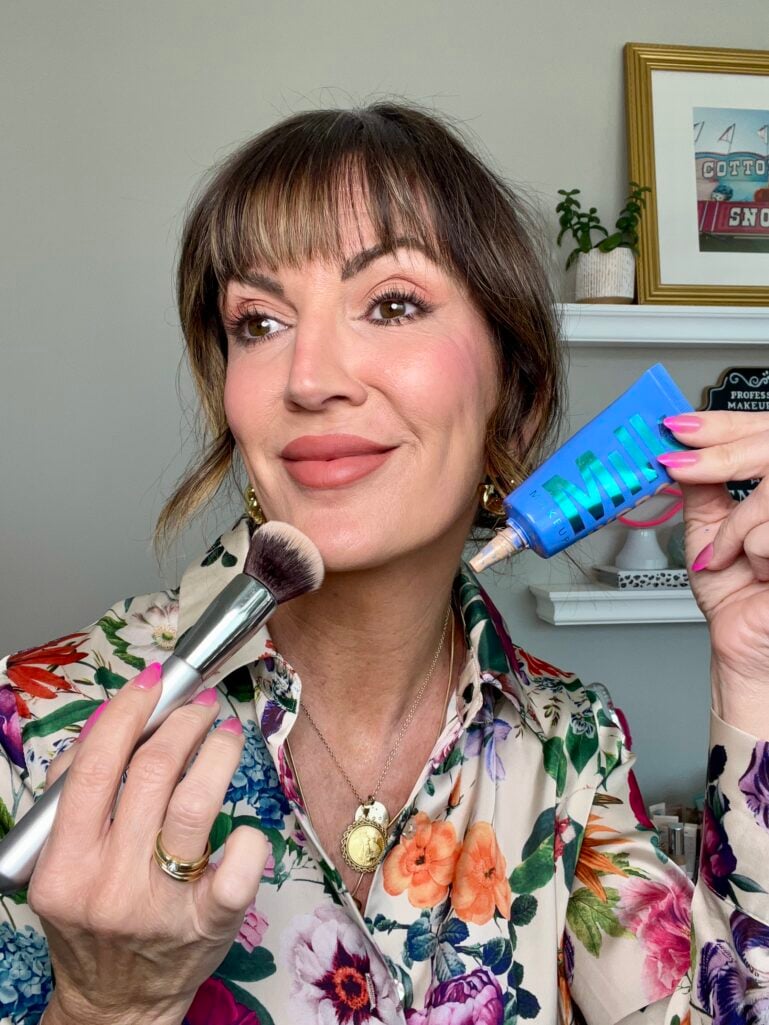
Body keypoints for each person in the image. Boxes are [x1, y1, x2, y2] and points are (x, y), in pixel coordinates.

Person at [1, 101, 768, 1025]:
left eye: (392, 303)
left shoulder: (572, 745)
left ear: (508, 386)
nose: (308, 376)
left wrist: (754, 665)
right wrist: (103, 1006)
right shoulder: (35, 720)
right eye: (259, 321)